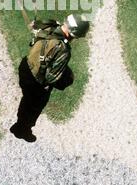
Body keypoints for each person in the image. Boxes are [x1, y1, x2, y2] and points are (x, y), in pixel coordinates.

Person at [10, 14, 90, 142]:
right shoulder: (63, 49)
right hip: (35, 81)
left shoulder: (50, 26)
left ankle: (20, 125)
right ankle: (22, 130)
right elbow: (51, 77)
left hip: (25, 66)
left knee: (27, 100)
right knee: (34, 106)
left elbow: (34, 25)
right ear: (73, 34)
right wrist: (66, 81)